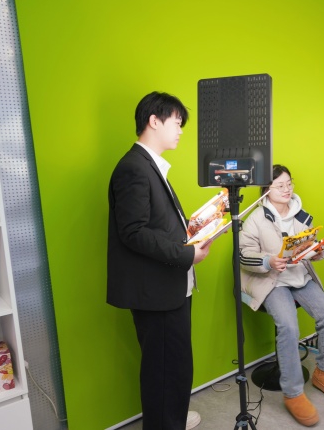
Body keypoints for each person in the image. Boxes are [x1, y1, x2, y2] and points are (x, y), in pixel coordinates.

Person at [107, 91, 211, 430]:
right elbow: (133, 232)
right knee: (164, 372)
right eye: (177, 123)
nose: (180, 131)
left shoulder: (150, 166)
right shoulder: (134, 168)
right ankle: (166, 422)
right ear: (154, 121)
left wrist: (195, 229)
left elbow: (158, 223)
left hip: (170, 287)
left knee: (174, 368)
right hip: (156, 292)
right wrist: (187, 253)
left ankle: (171, 419)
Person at [239, 165, 324, 427]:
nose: (287, 189)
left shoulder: (303, 214)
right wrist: (268, 261)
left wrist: (318, 251)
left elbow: (310, 248)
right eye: (280, 185)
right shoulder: (255, 218)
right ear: (266, 190)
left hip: (299, 277)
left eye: (289, 183)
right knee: (288, 326)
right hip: (272, 282)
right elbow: (243, 254)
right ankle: (293, 393)